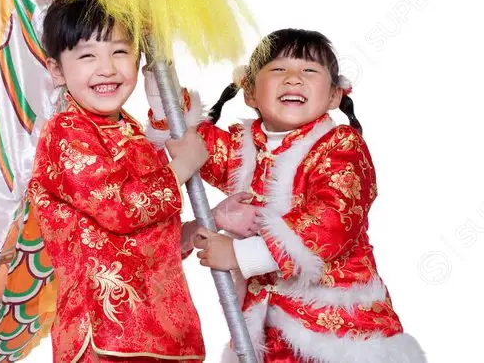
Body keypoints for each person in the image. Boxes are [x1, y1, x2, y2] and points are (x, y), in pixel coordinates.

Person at [147, 28, 425, 362]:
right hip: (267, 333)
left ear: (336, 95)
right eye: (278, 69)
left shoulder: (341, 147)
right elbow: (188, 137)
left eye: (309, 70)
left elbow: (332, 221)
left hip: (338, 332)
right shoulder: (244, 147)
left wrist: (239, 255)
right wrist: (156, 69)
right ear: (249, 91)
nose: (293, 79)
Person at [28, 0, 209, 362]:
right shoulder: (67, 132)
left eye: (120, 52)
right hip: (103, 334)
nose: (107, 68)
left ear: (140, 58)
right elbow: (120, 208)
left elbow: (139, 240)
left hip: (164, 332)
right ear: (57, 70)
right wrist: (181, 168)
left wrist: (187, 234)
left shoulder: (132, 133)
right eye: (87, 55)